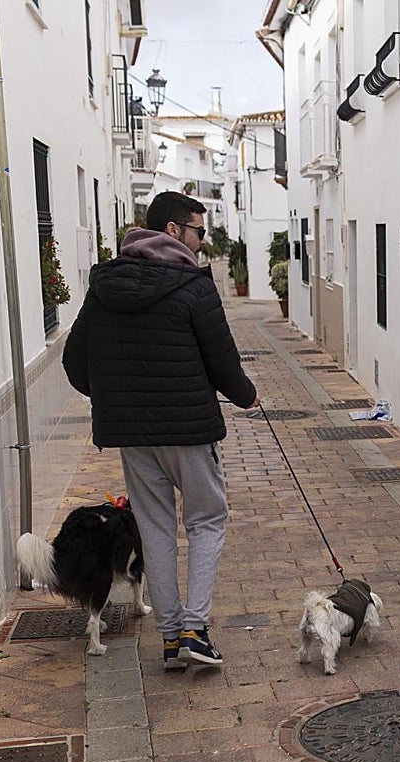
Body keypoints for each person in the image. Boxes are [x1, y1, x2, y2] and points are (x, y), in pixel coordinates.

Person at [64, 191, 258, 670]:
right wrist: (246, 395)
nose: (201, 241)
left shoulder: (104, 285)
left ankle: (172, 640)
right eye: (198, 231)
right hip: (187, 429)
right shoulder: (193, 286)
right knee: (208, 519)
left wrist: (115, 398)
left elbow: (74, 362)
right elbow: (222, 361)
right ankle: (194, 628)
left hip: (132, 435)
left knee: (154, 529)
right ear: (173, 231)